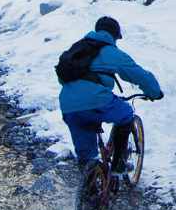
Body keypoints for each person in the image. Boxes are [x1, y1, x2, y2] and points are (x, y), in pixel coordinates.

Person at [58, 16, 162, 180]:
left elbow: (63, 76)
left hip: (68, 106)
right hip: (96, 100)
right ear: (114, 35)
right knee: (126, 114)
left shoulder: (77, 49)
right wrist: (155, 92)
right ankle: (119, 164)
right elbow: (138, 74)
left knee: (86, 157)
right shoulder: (110, 52)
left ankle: (89, 189)